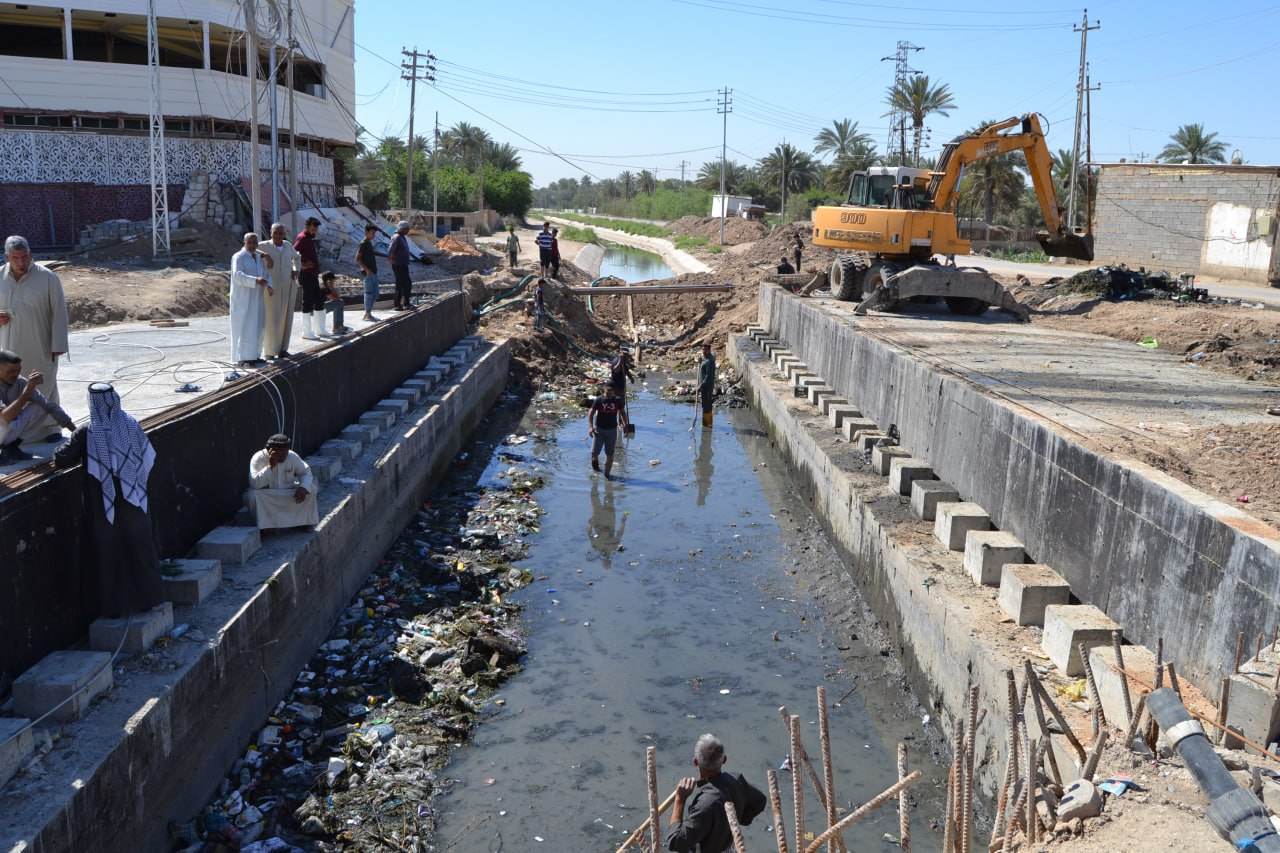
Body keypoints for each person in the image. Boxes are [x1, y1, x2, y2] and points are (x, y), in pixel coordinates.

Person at [54, 382, 164, 620]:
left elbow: (62, 459)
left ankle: (114, 608)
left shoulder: (88, 432)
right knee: (141, 549)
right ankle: (149, 599)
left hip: (104, 505)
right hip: (135, 501)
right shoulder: (131, 424)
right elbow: (148, 458)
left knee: (109, 554)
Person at [0, 235, 69, 444]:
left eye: (25, 257)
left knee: (45, 383)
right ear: (7, 257)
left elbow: (59, 313)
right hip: (10, 346)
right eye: (16, 258)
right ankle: (15, 431)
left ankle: (50, 428)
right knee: (12, 387)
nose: (21, 263)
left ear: (30, 255)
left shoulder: (48, 278)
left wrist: (58, 345)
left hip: (41, 344)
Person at [666, 734, 766, 852]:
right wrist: (739, 819)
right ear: (724, 759)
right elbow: (760, 801)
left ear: (695, 762)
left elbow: (674, 842)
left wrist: (680, 800)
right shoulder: (736, 780)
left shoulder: (704, 805)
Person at [0, 349, 75, 463]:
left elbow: (49, 405)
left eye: (18, 370)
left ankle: (10, 448)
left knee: (40, 407)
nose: (15, 375)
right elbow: (4, 418)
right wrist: (27, 393)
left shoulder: (20, 381)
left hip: (4, 430)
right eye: (10, 371)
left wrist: (76, 431)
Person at [246, 433, 319, 530]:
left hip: (287, 494)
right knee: (252, 496)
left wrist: (303, 487)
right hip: (269, 496)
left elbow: (305, 472)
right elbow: (255, 484)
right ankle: (264, 528)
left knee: (311, 489)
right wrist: (270, 467)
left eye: (285, 453)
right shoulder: (258, 458)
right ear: (270, 450)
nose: (284, 457)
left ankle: (302, 523)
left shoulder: (292, 456)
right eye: (279, 454)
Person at [230, 233, 271, 367]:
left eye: (255, 242)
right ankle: (243, 358)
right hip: (243, 298)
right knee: (245, 326)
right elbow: (237, 275)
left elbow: (265, 274)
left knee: (258, 325)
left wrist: (269, 286)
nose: (253, 245)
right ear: (244, 242)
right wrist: (255, 280)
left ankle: (255, 355)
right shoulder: (238, 257)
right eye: (250, 242)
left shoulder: (258, 258)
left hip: (257, 297)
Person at [260, 222, 299, 359]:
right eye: (275, 232)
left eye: (280, 233)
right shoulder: (263, 245)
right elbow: (250, 251)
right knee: (272, 318)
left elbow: (297, 258)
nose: (277, 235)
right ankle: (270, 351)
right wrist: (265, 257)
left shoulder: (288, 245)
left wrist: (295, 270)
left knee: (286, 317)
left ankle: (283, 349)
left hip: (287, 286)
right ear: (271, 233)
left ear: (284, 234)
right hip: (271, 288)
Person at [588, 383, 628, 479]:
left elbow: (622, 413)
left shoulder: (618, 400)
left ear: (614, 392)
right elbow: (591, 414)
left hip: (612, 430)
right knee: (594, 453)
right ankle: (596, 471)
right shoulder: (599, 400)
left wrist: (625, 426)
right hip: (599, 430)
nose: (609, 395)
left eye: (611, 393)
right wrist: (590, 427)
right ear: (604, 391)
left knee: (610, 454)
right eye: (607, 393)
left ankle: (607, 476)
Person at [294, 217, 323, 341]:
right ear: (307, 226)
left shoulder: (309, 239)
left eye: (316, 228)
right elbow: (293, 254)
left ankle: (320, 329)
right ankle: (306, 331)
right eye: (313, 228)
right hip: (306, 275)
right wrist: (304, 265)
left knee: (318, 299)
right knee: (308, 301)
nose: (315, 230)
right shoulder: (302, 238)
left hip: (313, 274)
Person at [357, 223, 381, 322]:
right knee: (369, 293)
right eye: (372, 233)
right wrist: (366, 270)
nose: (373, 235)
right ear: (366, 232)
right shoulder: (363, 243)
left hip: (373, 272)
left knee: (375, 294)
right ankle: (367, 314)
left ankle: (369, 313)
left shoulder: (368, 243)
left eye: (374, 233)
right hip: (368, 273)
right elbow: (358, 259)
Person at [388, 220, 413, 311]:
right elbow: (391, 250)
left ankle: (405, 303)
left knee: (405, 284)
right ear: (402, 229)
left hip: (403, 264)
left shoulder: (402, 237)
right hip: (399, 265)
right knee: (402, 284)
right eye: (407, 229)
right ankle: (398, 304)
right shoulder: (397, 237)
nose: (408, 231)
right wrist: (393, 262)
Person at [319, 271, 350, 336]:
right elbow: (336, 298)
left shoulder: (323, 285)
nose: (334, 281)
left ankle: (339, 326)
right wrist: (332, 287)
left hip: (318, 308)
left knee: (339, 303)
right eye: (333, 280)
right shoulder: (324, 288)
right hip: (317, 310)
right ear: (328, 280)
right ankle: (337, 328)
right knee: (339, 303)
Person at [697, 343, 716, 429]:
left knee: (707, 405)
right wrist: (700, 361)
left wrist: (701, 385)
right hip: (704, 386)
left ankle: (708, 424)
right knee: (704, 405)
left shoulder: (710, 361)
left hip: (707, 386)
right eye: (703, 349)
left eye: (705, 350)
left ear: (709, 350)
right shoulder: (705, 359)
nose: (704, 351)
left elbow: (708, 376)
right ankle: (705, 424)